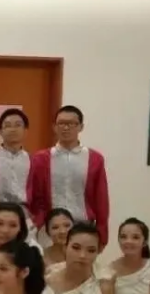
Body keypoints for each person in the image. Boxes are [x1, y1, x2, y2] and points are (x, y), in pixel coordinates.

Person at [30, 105, 110, 247]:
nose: (66, 128)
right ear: (54, 127)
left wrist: (102, 233)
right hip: (50, 230)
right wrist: (36, 224)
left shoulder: (94, 158)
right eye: (61, 123)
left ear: (81, 127)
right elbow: (36, 196)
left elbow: (101, 198)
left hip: (83, 227)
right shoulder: (41, 159)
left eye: (71, 123)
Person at [0, 109, 35, 232]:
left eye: (18, 125)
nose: (13, 129)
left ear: (25, 130)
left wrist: (36, 220)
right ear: (0, 131)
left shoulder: (33, 160)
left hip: (25, 218)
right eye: (7, 125)